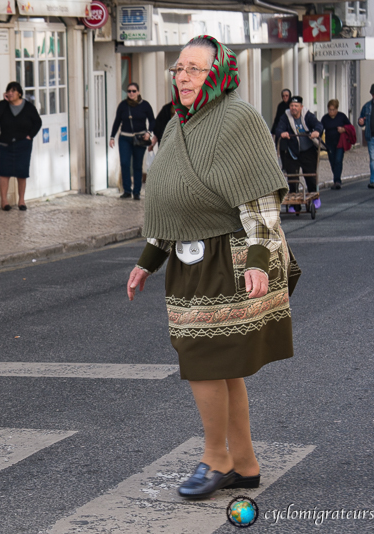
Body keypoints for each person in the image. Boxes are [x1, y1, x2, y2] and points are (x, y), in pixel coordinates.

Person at [127, 36, 300, 501]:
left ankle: (216, 458)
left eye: (194, 69)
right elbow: (173, 199)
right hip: (189, 259)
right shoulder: (180, 122)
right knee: (221, 365)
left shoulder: (237, 117)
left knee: (202, 360)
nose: (183, 77)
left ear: (218, 73)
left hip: (231, 256)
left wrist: (259, 261)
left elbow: (260, 196)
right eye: (179, 68)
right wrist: (148, 260)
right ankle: (244, 463)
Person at [0, 81, 42, 211]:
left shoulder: (28, 107)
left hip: (23, 144)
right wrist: (4, 101)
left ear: (19, 93)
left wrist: (30, 136)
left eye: (13, 91)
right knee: (4, 173)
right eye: (8, 91)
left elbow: (37, 122)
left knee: (21, 173)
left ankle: (21, 201)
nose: (10, 93)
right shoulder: (3, 105)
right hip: (6, 143)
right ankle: (4, 201)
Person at [275, 96, 323, 211]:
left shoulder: (307, 115)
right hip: (292, 152)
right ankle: (294, 204)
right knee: (292, 177)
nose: (293, 108)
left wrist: (317, 131)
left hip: (308, 150)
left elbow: (318, 125)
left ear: (301, 107)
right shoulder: (286, 116)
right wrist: (282, 133)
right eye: (291, 105)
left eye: (296, 106)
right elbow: (278, 128)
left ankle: (314, 197)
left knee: (310, 175)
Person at [109, 83, 155, 200]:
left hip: (140, 139)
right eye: (129, 91)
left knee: (137, 165)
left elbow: (152, 120)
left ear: (138, 92)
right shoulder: (123, 105)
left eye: (134, 91)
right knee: (125, 163)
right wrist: (112, 137)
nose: (131, 93)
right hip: (125, 138)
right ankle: (127, 190)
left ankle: (137, 192)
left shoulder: (145, 105)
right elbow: (117, 121)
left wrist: (148, 133)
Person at [320, 99, 351, 190]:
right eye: (330, 110)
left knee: (338, 160)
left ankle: (337, 181)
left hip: (340, 143)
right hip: (329, 143)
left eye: (333, 110)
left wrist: (343, 129)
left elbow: (349, 127)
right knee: (332, 161)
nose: (331, 112)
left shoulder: (342, 116)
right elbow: (320, 129)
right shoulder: (325, 118)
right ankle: (336, 177)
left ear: (337, 109)